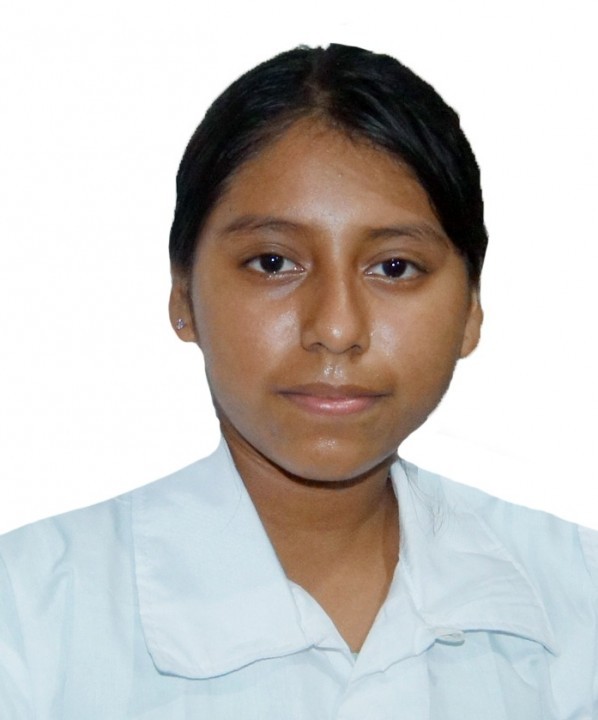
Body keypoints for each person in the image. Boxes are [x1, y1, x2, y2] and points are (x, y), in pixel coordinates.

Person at [0, 43, 596, 719]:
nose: (336, 328)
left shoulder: (581, 602)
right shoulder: (27, 619)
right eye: (273, 262)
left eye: (394, 267)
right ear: (183, 295)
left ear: (471, 310)